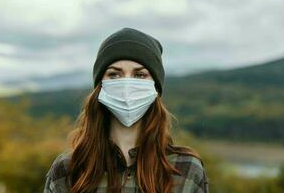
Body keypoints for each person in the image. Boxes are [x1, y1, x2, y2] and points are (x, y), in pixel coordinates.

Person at [44, 27, 209, 193]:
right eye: (114, 74)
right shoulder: (68, 169)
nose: (126, 86)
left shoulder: (186, 169)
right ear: (100, 86)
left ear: (155, 88)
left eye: (140, 75)